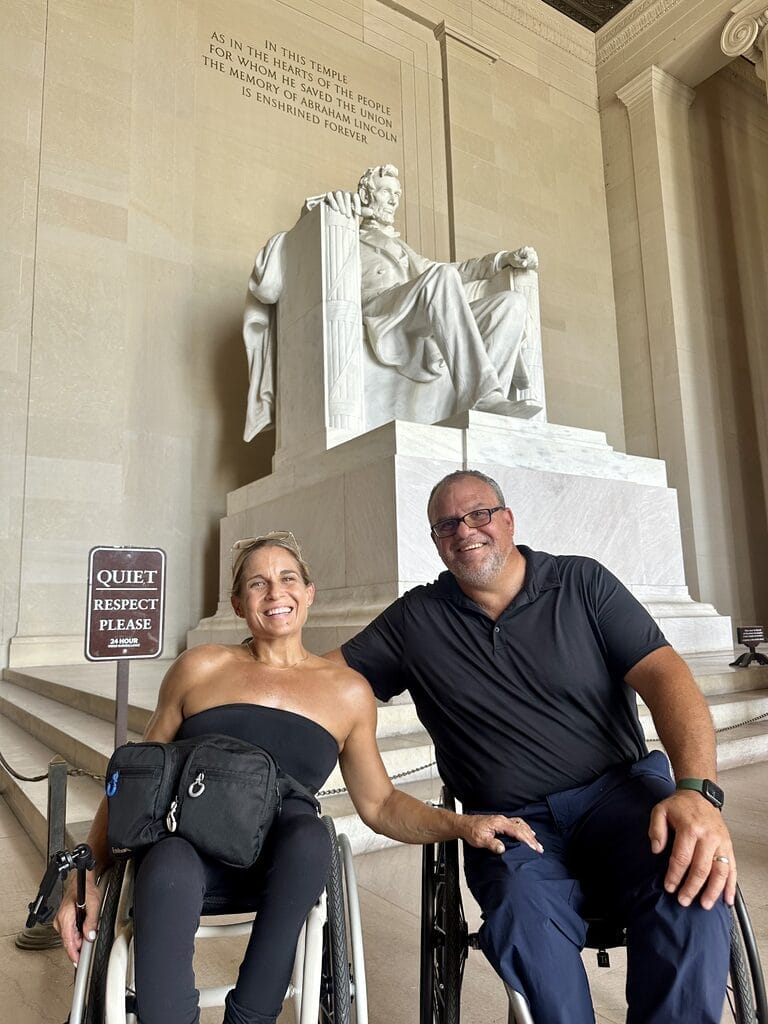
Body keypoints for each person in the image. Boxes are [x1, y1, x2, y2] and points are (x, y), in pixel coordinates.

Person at [54, 531, 542, 1024]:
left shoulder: (347, 692)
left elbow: (380, 805)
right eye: (257, 583)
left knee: (311, 835)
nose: (275, 593)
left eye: (288, 579)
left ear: (309, 592)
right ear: (238, 603)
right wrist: (85, 873)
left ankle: (251, 1016)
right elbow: (138, 778)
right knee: (167, 865)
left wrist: (463, 824)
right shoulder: (200, 668)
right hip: (188, 844)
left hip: (284, 859)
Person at [325, 470, 735, 1024]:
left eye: (478, 514)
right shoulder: (416, 620)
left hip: (621, 798)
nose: (464, 530)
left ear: (508, 519)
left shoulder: (582, 583)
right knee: (520, 911)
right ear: (436, 542)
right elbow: (324, 680)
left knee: (693, 882)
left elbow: (668, 677)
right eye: (446, 524)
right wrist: (234, 671)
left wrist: (697, 792)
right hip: (512, 824)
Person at [329, 164, 541, 419]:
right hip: (378, 309)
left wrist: (503, 259)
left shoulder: (404, 249)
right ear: (365, 195)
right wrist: (336, 207)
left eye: (397, 196)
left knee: (512, 304)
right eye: (386, 192)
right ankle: (483, 396)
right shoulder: (345, 229)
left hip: (413, 306)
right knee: (442, 277)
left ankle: (484, 413)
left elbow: (457, 270)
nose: (394, 202)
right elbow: (312, 227)